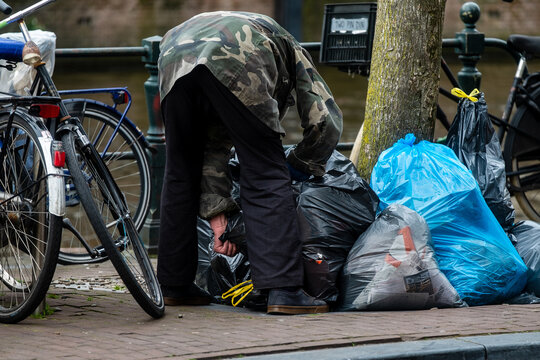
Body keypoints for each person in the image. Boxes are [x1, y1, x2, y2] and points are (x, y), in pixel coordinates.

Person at [157, 11, 343, 315]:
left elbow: (213, 147)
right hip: (238, 57)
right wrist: (300, 164)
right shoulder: (290, 45)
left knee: (180, 171)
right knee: (266, 172)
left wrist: (219, 221)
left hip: (174, 57)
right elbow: (325, 119)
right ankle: (283, 290)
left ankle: (173, 285)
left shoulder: (262, 34)